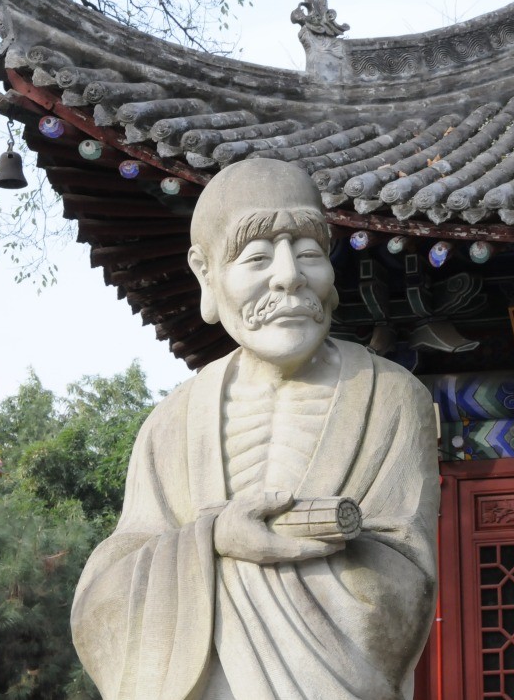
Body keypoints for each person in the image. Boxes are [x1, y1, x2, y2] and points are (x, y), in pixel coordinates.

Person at [70, 158, 440, 700]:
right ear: (206, 275)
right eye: (257, 257)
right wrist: (214, 541)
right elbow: (108, 591)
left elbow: (406, 584)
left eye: (310, 253)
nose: (290, 276)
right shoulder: (171, 423)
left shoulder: (392, 397)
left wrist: (284, 545)